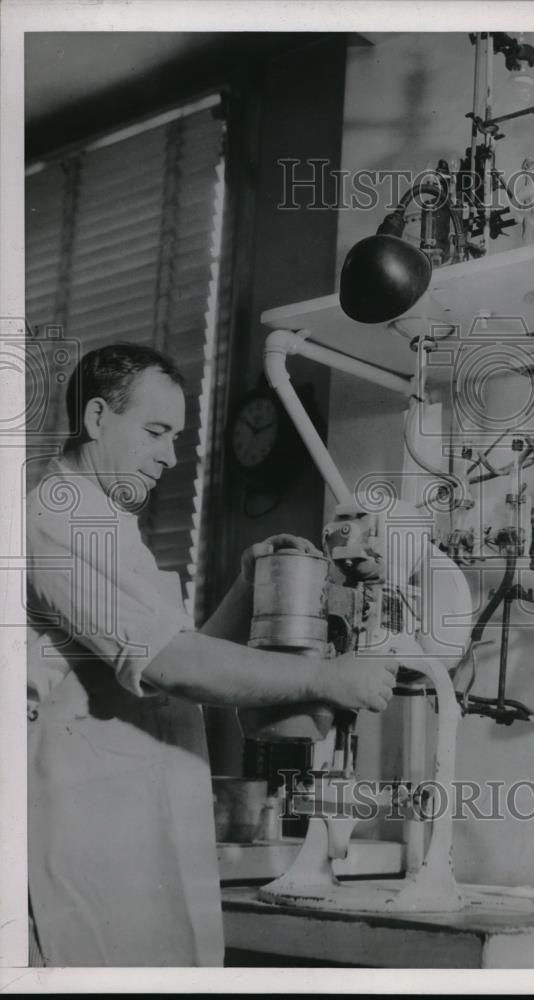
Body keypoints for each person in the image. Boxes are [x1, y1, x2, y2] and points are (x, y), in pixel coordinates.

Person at [26, 343, 398, 967]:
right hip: (82, 839)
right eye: (155, 432)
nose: (170, 457)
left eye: (175, 436)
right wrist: (328, 678)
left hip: (134, 827)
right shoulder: (56, 522)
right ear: (95, 418)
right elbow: (174, 665)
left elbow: (175, 661)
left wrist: (247, 585)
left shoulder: (109, 524)